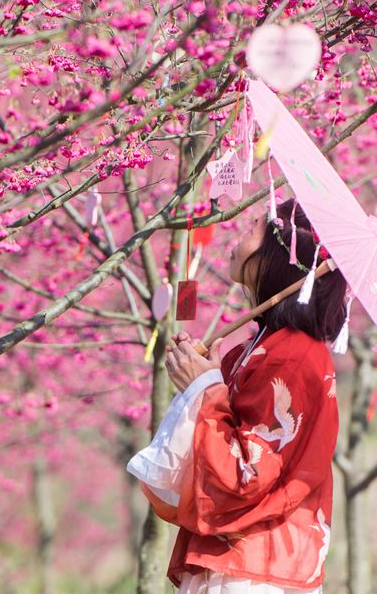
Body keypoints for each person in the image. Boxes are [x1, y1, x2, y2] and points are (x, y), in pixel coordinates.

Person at [127, 199, 349, 593]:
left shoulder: (294, 357)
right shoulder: (263, 348)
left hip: (255, 567)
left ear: (280, 258)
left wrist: (206, 389)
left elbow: (247, 474)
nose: (236, 239)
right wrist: (206, 380)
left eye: (252, 231)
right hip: (238, 559)